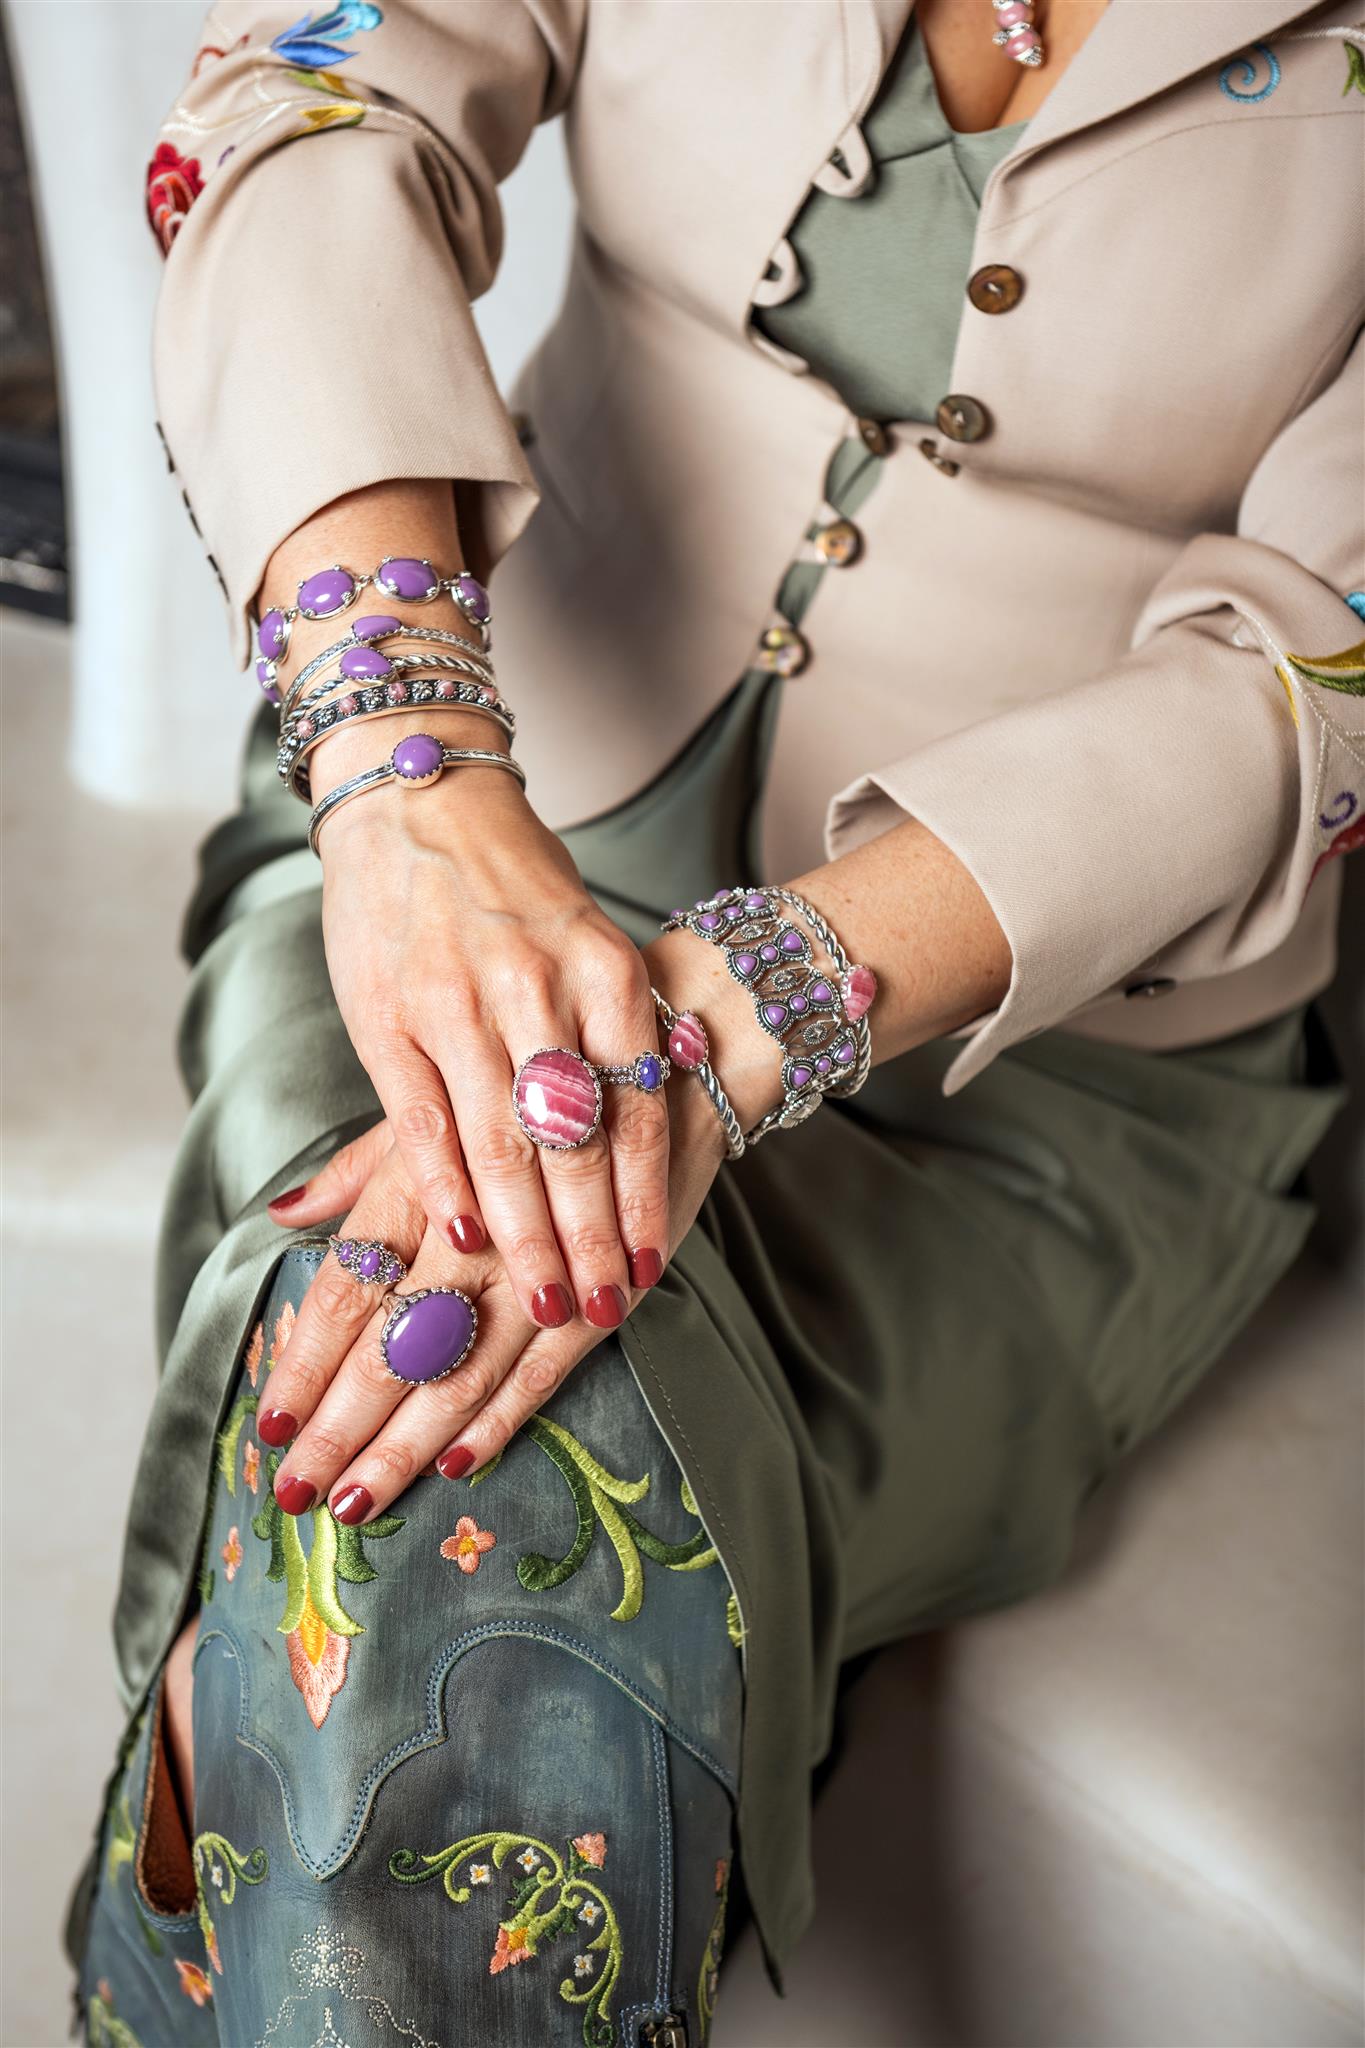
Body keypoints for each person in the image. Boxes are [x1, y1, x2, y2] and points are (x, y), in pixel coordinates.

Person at [71, 1, 1362, 2042]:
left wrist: (731, 1018)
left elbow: (1320, 659)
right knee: (383, 1341)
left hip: (1031, 1053)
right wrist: (405, 765)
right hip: (465, 834)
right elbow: (310, 89)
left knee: (458, 1439)